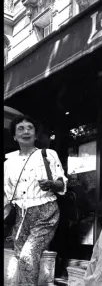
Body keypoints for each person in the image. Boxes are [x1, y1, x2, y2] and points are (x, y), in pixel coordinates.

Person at [4, 115, 68, 286]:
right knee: (20, 256)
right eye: (21, 129)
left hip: (45, 211)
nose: (26, 131)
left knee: (28, 254)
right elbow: (7, 194)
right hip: (21, 214)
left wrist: (52, 184)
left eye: (29, 128)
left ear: (35, 134)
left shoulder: (47, 154)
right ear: (14, 136)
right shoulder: (8, 163)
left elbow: (62, 183)